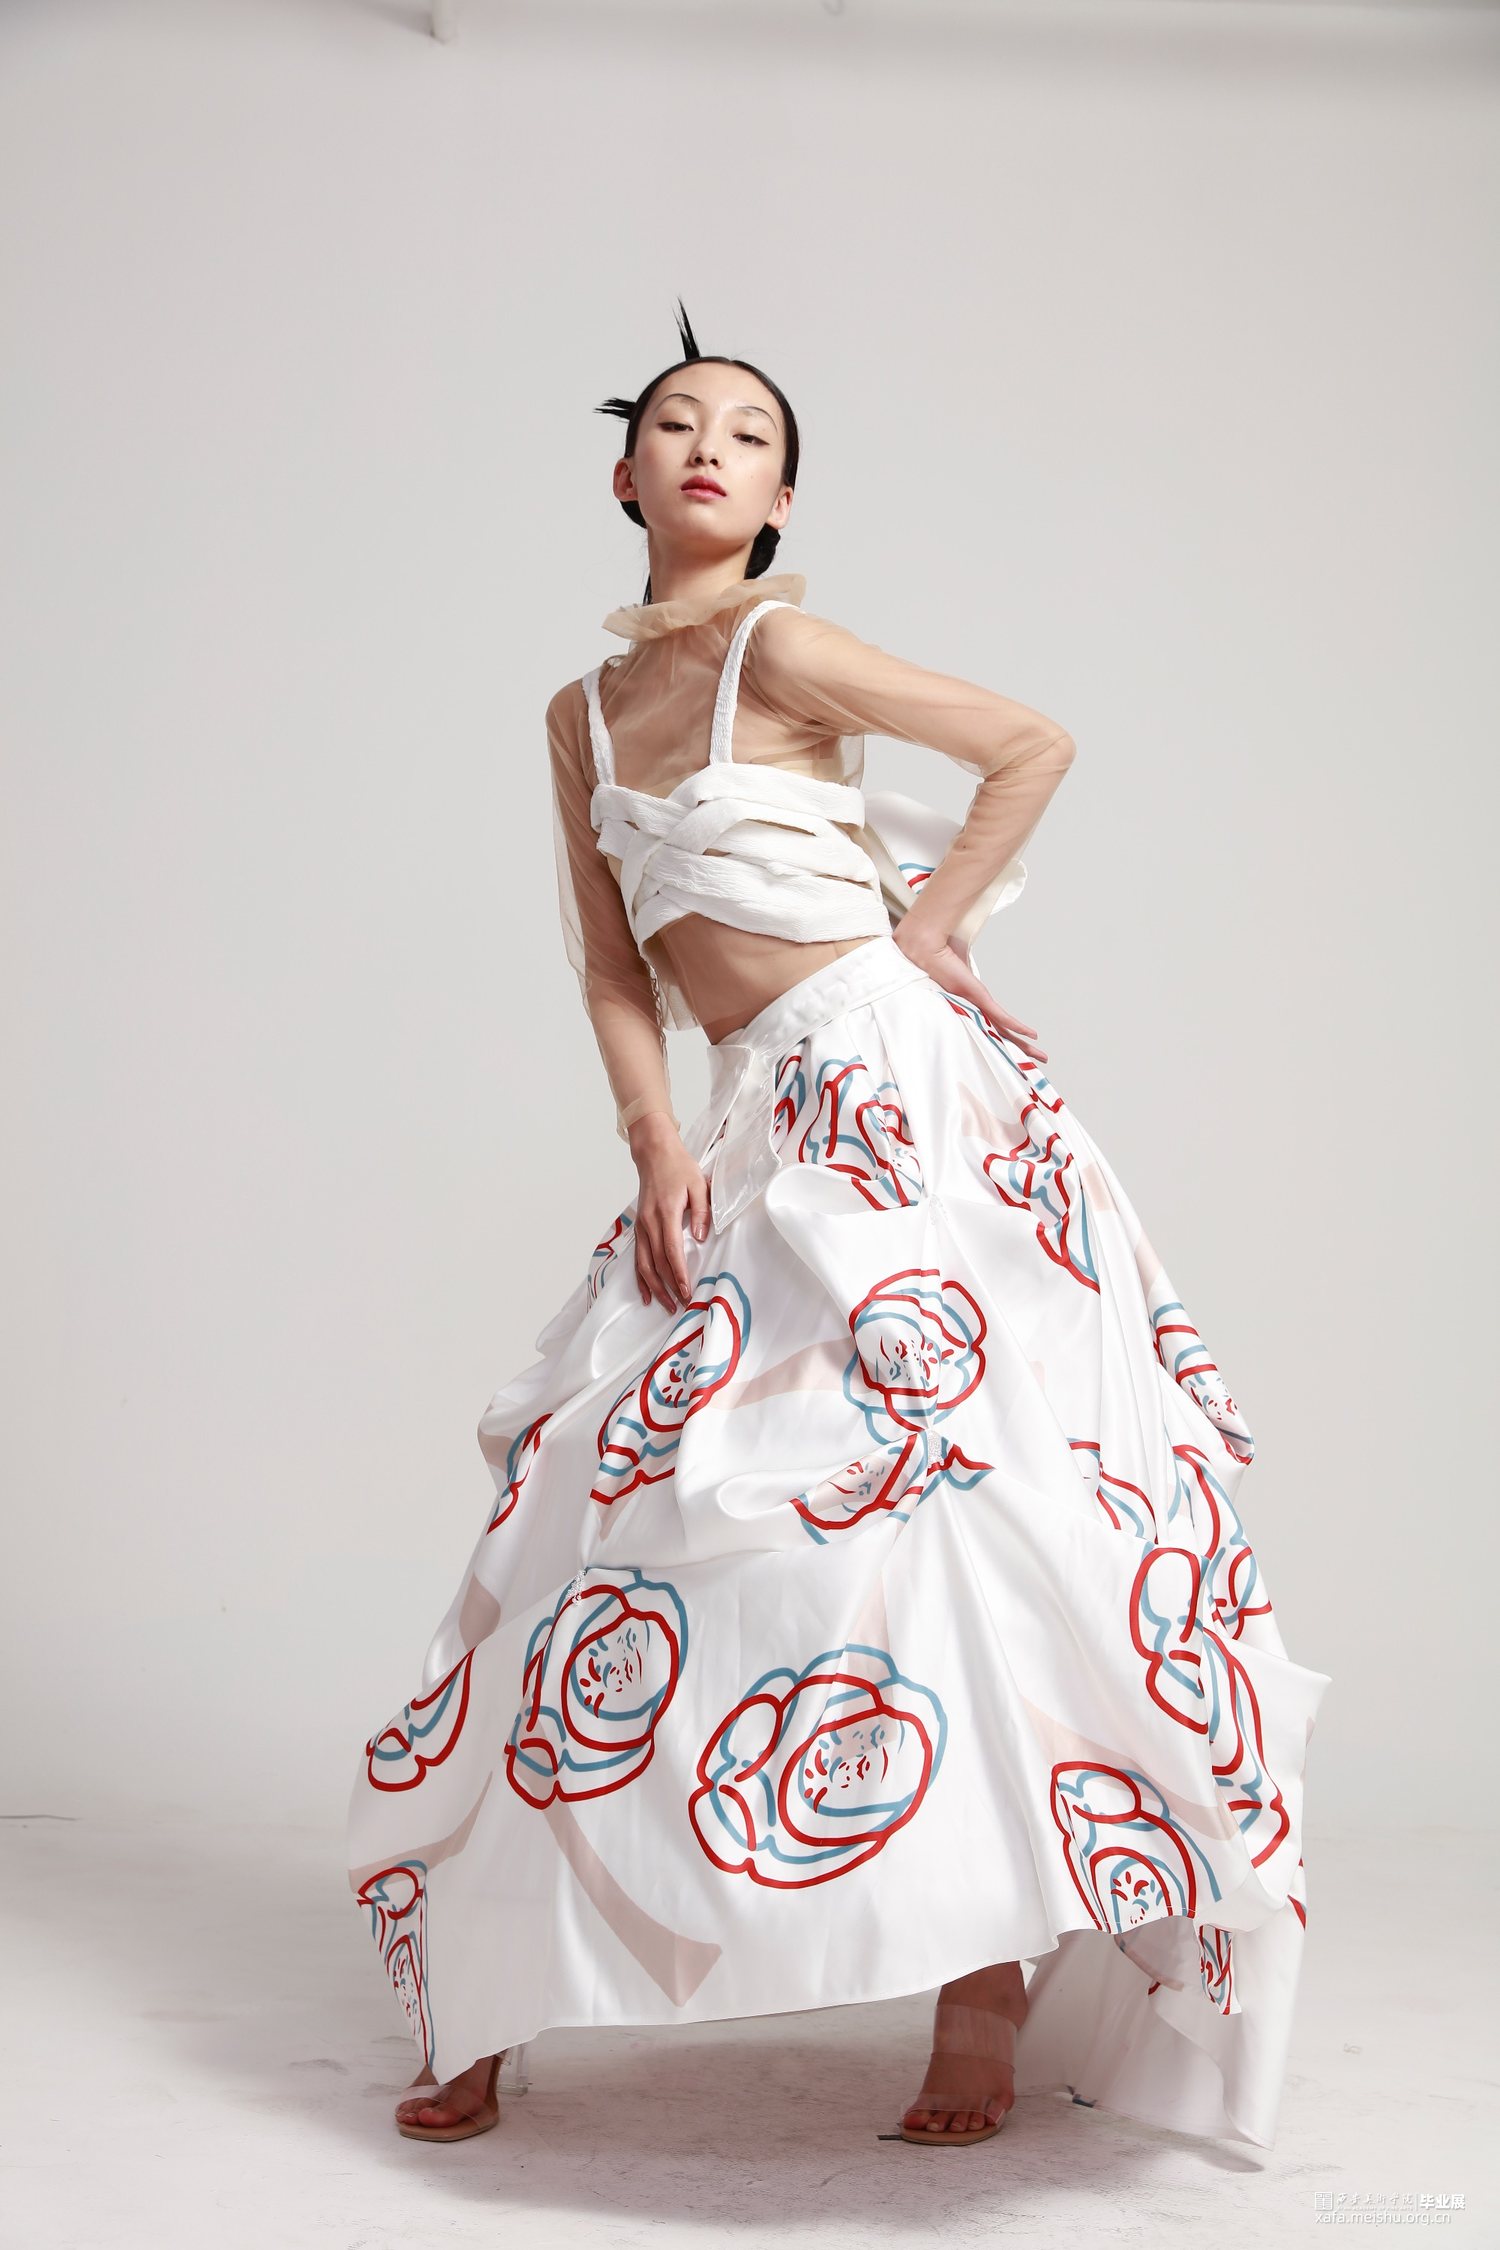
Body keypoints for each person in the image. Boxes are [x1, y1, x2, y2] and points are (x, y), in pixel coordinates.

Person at [347, 303, 1329, 2154]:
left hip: (894, 1086)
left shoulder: (781, 645)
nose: (710, 445)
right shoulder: (577, 715)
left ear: (782, 498)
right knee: (610, 1501)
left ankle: (980, 1983)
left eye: (748, 432)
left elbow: (1029, 742)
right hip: (746, 1116)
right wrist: (654, 1138)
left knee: (958, 1496)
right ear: (624, 475)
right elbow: (613, 962)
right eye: (677, 423)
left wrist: (931, 928)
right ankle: (495, 1983)